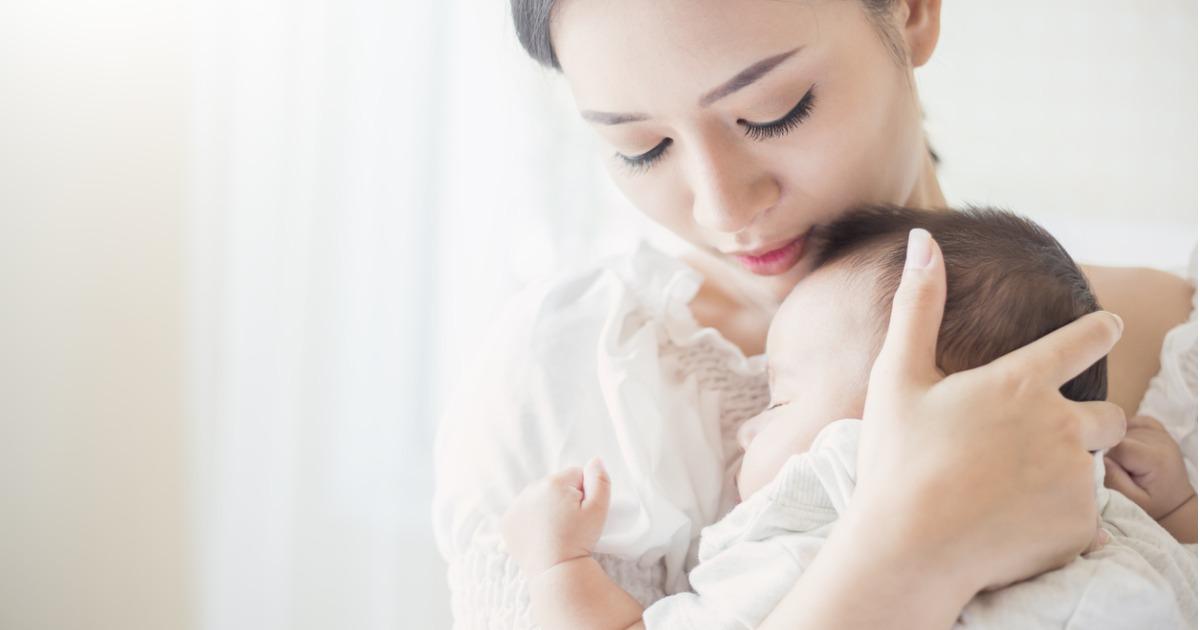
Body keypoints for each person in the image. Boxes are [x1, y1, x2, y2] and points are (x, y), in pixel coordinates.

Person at [432, 1, 1197, 627]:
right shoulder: (575, 378)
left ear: (912, 14)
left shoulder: (1181, 348)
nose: (723, 207)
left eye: (772, 112)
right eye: (642, 149)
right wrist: (909, 552)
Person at [499, 206, 1198, 629]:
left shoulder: (804, 531)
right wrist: (1176, 512)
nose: (748, 427)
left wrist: (556, 565)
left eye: (780, 399)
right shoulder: (1091, 512)